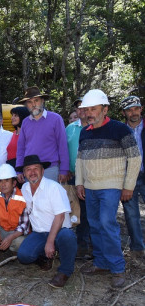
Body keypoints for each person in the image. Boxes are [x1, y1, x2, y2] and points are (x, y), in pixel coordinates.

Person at [76, 90, 141, 288]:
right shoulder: (84, 132)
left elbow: (135, 158)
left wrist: (128, 186)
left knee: (106, 223)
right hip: (90, 187)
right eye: (86, 109)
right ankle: (101, 262)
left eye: (93, 109)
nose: (89, 113)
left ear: (105, 109)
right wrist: (79, 182)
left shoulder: (120, 129)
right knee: (94, 224)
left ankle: (117, 267)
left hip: (112, 186)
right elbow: (79, 160)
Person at [17, 155, 77, 288]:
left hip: (59, 230)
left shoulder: (54, 188)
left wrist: (50, 241)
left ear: (43, 171)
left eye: (36, 168)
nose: (32, 172)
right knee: (23, 256)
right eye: (28, 169)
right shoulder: (24, 189)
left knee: (68, 236)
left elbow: (60, 217)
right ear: (24, 173)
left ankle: (64, 272)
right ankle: (46, 257)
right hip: (39, 233)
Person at [16, 86, 70, 183]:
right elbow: (21, 148)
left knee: (51, 198)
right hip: (30, 170)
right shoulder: (25, 122)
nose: (33, 104)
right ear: (26, 105)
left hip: (50, 170)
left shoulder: (56, 119)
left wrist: (64, 170)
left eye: (36, 100)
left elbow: (62, 145)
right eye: (29, 102)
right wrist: (19, 169)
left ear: (42, 101)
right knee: (32, 198)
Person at [0, 164, 28, 261]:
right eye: (0, 181)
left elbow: (24, 226)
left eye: (7, 180)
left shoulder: (23, 198)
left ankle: (13, 251)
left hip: (15, 232)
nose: (3, 184)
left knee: (21, 243)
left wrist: (11, 237)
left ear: (14, 183)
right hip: (0, 229)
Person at [119, 95, 145, 259]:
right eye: (129, 110)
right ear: (124, 113)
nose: (133, 112)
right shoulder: (120, 131)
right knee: (131, 214)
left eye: (136, 108)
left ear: (141, 109)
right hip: (129, 178)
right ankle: (137, 249)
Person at [65, 98, 91, 258]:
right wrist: (65, 168)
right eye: (78, 108)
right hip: (73, 176)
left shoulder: (95, 126)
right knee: (77, 211)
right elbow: (63, 149)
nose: (80, 110)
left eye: (83, 107)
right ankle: (81, 245)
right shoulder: (70, 128)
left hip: (93, 177)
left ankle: (94, 244)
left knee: (91, 212)